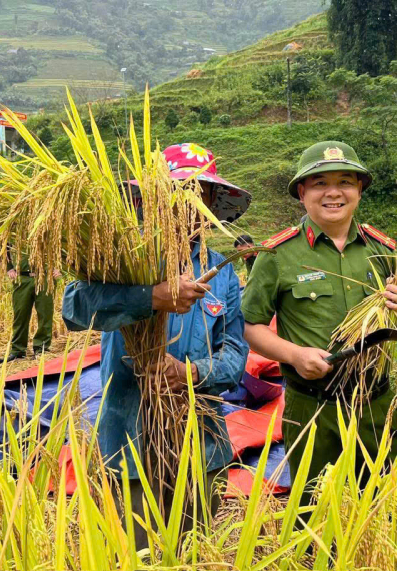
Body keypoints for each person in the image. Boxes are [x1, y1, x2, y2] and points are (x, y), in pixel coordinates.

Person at [62, 142, 252, 548]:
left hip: (201, 442)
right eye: (172, 194)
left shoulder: (221, 272)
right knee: (139, 550)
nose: (183, 206)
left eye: (194, 193)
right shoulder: (120, 260)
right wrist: (150, 297)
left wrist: (190, 373)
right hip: (129, 439)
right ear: (151, 201)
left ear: (212, 200)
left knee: (194, 546)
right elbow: (73, 309)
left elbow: (235, 355)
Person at [241, 141, 397, 509]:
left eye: (345, 182)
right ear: (302, 193)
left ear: (359, 191)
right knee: (317, 511)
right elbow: (250, 326)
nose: (333, 192)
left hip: (377, 403)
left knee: (393, 504)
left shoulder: (384, 249)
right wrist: (294, 354)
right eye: (319, 183)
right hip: (313, 408)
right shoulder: (277, 255)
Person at [0, 252, 58, 363]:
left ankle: (42, 349)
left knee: (45, 314)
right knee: (20, 314)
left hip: (45, 277)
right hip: (22, 278)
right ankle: (17, 350)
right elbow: (4, 247)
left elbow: (60, 244)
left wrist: (58, 267)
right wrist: (9, 268)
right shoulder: (14, 234)